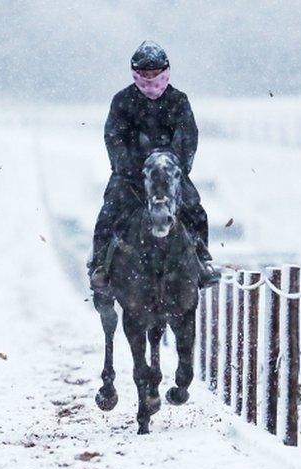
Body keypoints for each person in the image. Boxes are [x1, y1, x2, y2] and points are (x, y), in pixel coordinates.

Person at [88, 40, 219, 297]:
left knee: (195, 208)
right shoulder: (122, 101)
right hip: (131, 177)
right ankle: (100, 265)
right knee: (108, 212)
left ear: (165, 71)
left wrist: (173, 165)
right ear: (135, 72)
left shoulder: (179, 101)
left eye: (155, 73)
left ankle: (202, 259)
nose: (150, 79)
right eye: (145, 74)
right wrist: (129, 167)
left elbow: (188, 137)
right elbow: (113, 137)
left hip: (169, 173)